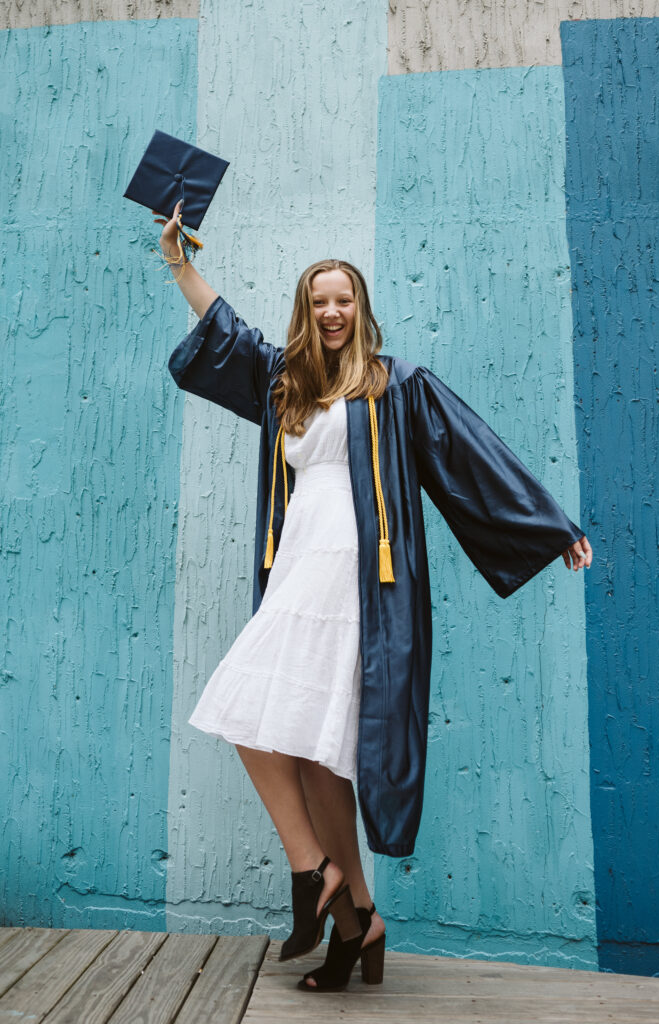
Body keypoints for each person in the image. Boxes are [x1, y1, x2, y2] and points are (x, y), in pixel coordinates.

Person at [154, 200, 593, 992]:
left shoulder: (398, 388)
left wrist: (550, 526)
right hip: (297, 570)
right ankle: (352, 907)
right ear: (306, 310)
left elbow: (475, 458)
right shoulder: (284, 384)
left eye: (343, 299)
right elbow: (226, 330)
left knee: (300, 739)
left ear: (360, 310)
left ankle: (319, 881)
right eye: (318, 300)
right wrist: (180, 263)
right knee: (294, 741)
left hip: (358, 581)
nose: (330, 311)